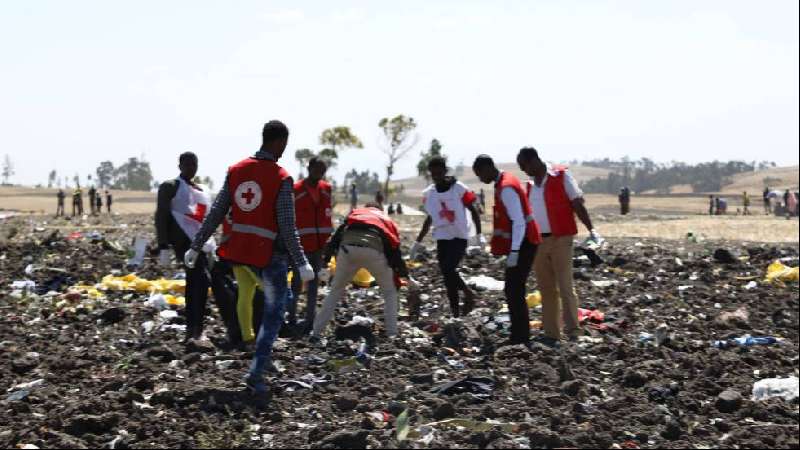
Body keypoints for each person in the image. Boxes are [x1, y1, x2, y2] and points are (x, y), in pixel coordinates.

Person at [186, 120, 314, 394]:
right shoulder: (281, 178)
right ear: (279, 142)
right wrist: (302, 261)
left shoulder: (236, 171)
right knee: (273, 314)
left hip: (239, 253)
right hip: (269, 255)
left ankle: (262, 360)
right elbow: (287, 225)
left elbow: (216, 212)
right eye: (284, 145)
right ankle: (256, 373)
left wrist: (196, 245)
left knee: (273, 297)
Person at [155, 151, 240, 345]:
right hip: (184, 243)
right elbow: (162, 215)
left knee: (213, 283)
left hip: (204, 244)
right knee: (199, 282)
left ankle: (228, 328)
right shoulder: (171, 187)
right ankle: (195, 330)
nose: (191, 168)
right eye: (187, 164)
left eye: (194, 164)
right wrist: (163, 246)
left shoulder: (201, 190)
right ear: (180, 166)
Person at [517, 148, 601, 344]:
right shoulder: (529, 187)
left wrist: (591, 230)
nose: (524, 171)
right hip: (538, 241)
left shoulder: (561, 176)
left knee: (565, 286)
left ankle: (573, 331)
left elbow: (577, 204)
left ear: (534, 161)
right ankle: (551, 333)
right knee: (546, 289)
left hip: (561, 238)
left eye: (525, 166)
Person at [312, 204, 418, 341]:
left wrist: (325, 263)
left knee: (335, 291)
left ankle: (316, 333)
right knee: (390, 292)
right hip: (373, 251)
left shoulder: (355, 214)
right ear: (379, 210)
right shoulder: (384, 219)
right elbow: (394, 250)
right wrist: (406, 276)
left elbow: (335, 238)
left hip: (347, 249)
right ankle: (392, 334)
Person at [472, 155, 541, 346]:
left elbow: (518, 221)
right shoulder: (503, 183)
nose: (480, 179)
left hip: (525, 242)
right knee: (514, 290)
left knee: (513, 290)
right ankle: (519, 335)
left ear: (487, 168)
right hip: (524, 242)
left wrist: (515, 251)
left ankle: (520, 337)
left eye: (479, 174)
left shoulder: (506, 188)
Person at [410, 156, 481, 318]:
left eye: (439, 172)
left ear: (445, 171)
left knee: (448, 268)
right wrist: (417, 242)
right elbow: (430, 218)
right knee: (448, 275)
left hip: (459, 236)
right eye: (433, 174)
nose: (436, 176)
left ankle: (468, 293)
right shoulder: (430, 194)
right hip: (442, 237)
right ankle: (456, 312)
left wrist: (478, 235)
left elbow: (473, 210)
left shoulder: (459, 189)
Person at [288, 157, 334, 334]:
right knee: (297, 283)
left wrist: (327, 245)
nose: (319, 173)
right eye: (317, 169)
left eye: (323, 170)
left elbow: (327, 216)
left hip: (319, 245)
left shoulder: (326, 189)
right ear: (309, 168)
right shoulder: (296, 189)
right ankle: (291, 317)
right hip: (300, 246)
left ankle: (309, 320)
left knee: (314, 285)